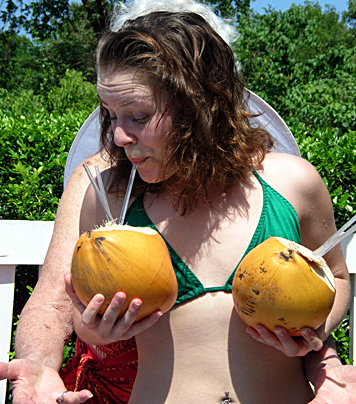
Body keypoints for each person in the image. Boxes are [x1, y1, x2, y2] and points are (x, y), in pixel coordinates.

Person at [0, 1, 355, 403]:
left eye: (138, 115)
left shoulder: (292, 182)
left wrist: (314, 330)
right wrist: (94, 330)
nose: (117, 136)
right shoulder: (113, 201)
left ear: (200, 106)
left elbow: (336, 278)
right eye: (111, 115)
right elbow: (76, 310)